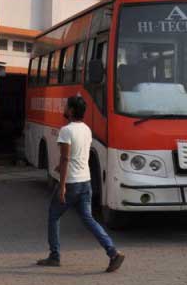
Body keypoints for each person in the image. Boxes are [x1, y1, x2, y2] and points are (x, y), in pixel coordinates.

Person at [36, 96, 125, 273]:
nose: (64, 108)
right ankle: (113, 252)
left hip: (71, 183)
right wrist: (61, 166)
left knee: (54, 216)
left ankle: (54, 256)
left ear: (71, 110)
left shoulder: (66, 131)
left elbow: (66, 158)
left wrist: (62, 187)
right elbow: (77, 155)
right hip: (85, 181)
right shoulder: (86, 129)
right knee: (88, 219)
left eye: (66, 106)